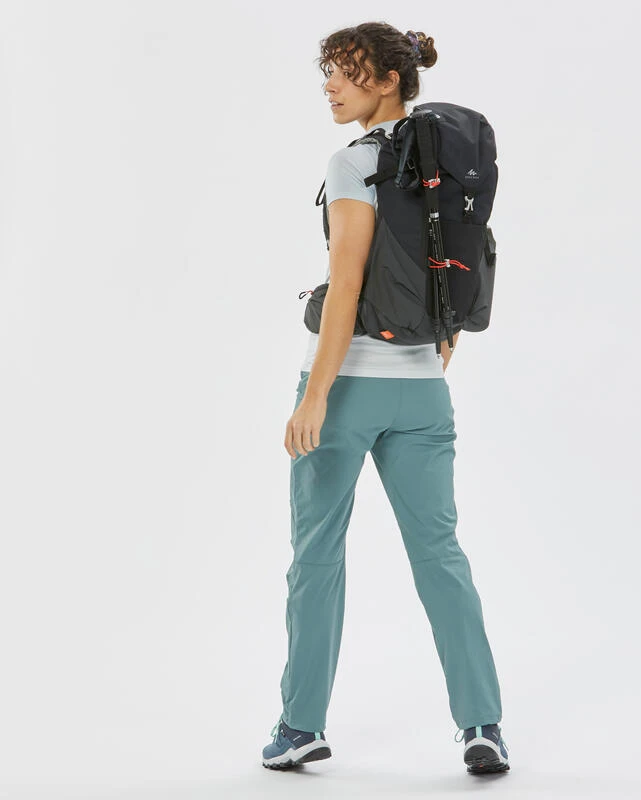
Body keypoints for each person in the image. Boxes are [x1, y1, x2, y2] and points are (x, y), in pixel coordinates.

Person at [262, 22, 510, 774]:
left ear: (390, 79)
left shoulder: (355, 162)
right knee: (441, 557)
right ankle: (483, 726)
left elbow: (345, 285)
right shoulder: (444, 163)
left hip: (347, 391)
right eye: (329, 72)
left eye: (347, 72)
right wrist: (437, 351)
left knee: (316, 558)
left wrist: (316, 397)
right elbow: (457, 270)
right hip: (425, 393)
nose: (331, 86)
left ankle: (300, 727)